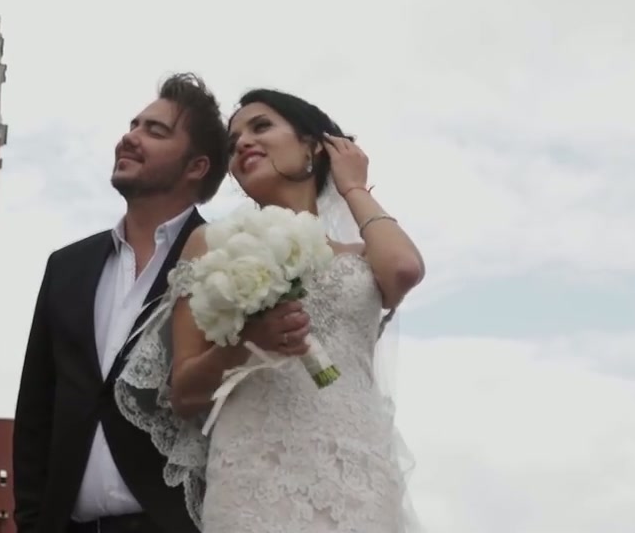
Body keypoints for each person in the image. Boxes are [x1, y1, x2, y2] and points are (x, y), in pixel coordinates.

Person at [114, 89, 425, 533]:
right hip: (255, 473)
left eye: (261, 127)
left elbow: (405, 269)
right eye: (232, 142)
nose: (242, 143)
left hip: (357, 471)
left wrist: (353, 186)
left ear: (313, 146)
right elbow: (184, 394)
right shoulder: (211, 246)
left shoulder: (362, 256)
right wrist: (246, 343)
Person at [13, 73, 229, 533]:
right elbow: (36, 411)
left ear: (196, 167)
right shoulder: (66, 267)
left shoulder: (228, 263)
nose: (130, 137)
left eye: (156, 131)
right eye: (134, 125)